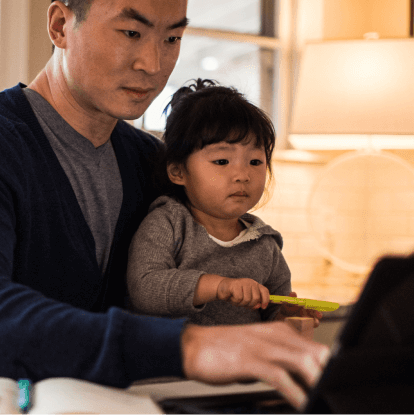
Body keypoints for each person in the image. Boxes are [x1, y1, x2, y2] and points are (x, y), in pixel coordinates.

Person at [0, 0, 328, 410]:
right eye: (131, 33)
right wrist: (187, 347)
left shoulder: (151, 162)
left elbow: (203, 274)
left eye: (172, 38)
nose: (153, 64)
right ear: (61, 24)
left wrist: (271, 320)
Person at [128, 79, 323, 329]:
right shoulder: (169, 223)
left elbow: (271, 313)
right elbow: (145, 289)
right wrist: (219, 286)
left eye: (255, 162)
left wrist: (285, 317)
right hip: (175, 362)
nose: (242, 175)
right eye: (222, 162)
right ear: (178, 172)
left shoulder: (264, 243)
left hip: (244, 363)